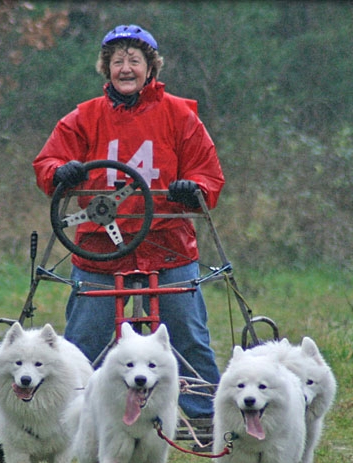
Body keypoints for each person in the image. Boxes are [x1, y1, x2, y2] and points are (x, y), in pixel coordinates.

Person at [33, 24, 225, 418]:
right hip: (100, 248)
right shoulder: (83, 117)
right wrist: (61, 172)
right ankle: (71, 417)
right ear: (106, 68)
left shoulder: (180, 115)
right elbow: (46, 164)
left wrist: (195, 189)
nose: (125, 68)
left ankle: (208, 418)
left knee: (188, 337)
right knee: (85, 339)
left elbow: (209, 176)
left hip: (167, 244)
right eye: (117, 60)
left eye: (133, 60)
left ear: (150, 68)